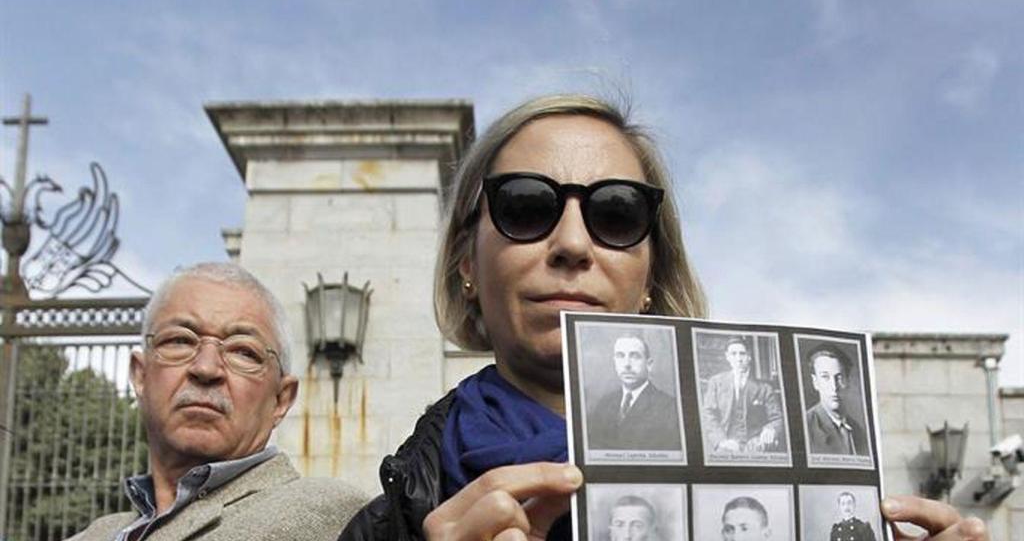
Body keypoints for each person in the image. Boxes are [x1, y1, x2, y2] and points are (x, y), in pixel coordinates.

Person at [338, 94, 990, 541]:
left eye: (616, 213)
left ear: (651, 275)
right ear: (468, 263)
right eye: (527, 206)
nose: (571, 243)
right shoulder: (389, 520)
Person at [69, 263, 367, 541]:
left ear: (281, 399)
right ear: (140, 375)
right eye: (180, 341)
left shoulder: (336, 514)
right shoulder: (94, 534)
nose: (206, 368)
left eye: (243, 352)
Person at [588, 335, 682, 450]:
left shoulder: (669, 407)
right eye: (620, 356)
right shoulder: (605, 403)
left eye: (635, 356)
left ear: (649, 364)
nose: (627, 364)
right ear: (615, 363)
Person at [701, 337, 784, 454]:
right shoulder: (716, 383)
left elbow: (777, 418)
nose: (738, 359)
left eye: (742, 354)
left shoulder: (765, 388)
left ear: (749, 356)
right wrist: (721, 441)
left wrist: (771, 429)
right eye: (733, 354)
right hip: (726, 444)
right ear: (727, 357)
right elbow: (709, 416)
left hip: (756, 444)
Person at [805, 347, 868, 456]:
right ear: (815, 382)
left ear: (847, 380)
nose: (834, 387)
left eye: (839, 377)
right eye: (825, 377)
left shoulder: (858, 431)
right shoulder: (805, 427)